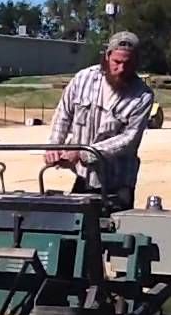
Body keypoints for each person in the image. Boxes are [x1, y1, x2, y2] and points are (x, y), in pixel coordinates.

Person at [46, 30, 155, 212]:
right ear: (107, 56)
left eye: (127, 64)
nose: (121, 69)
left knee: (112, 237)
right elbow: (63, 114)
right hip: (84, 178)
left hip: (118, 185)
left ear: (136, 62)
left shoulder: (142, 96)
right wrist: (54, 147)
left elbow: (128, 140)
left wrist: (82, 154)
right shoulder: (83, 79)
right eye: (117, 62)